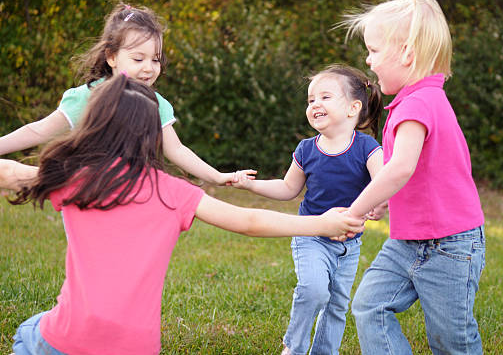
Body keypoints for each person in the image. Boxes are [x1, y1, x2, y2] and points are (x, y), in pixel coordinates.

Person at [2, 74, 365, 355]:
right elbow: (249, 221)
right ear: (152, 137)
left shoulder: (75, 179)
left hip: (68, 337)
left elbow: (9, 173)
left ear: (93, 125)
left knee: (29, 333)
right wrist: (322, 223)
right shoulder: (171, 192)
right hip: (137, 347)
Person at [341, 0, 486, 355]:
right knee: (369, 305)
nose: (368, 60)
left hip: (449, 246)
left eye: (374, 50)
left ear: (407, 53)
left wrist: (354, 211)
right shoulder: (413, 101)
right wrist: (387, 200)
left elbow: (399, 169)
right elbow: (415, 171)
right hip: (407, 242)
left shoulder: (419, 104)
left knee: (452, 341)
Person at [0, 1, 252, 186]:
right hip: (87, 192)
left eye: (155, 60)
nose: (149, 68)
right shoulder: (88, 97)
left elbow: (176, 150)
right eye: (138, 58)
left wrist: (217, 176)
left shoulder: (155, 104)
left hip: (131, 192)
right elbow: (39, 130)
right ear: (111, 56)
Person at [233, 64, 386, 355]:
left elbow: (383, 181)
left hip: (349, 245)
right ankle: (295, 347)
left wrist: (379, 202)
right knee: (314, 291)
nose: (315, 103)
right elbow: (288, 189)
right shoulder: (307, 149)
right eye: (310, 99)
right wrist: (251, 186)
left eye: (325, 97)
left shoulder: (367, 147)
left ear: (354, 108)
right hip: (311, 236)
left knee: (338, 305)